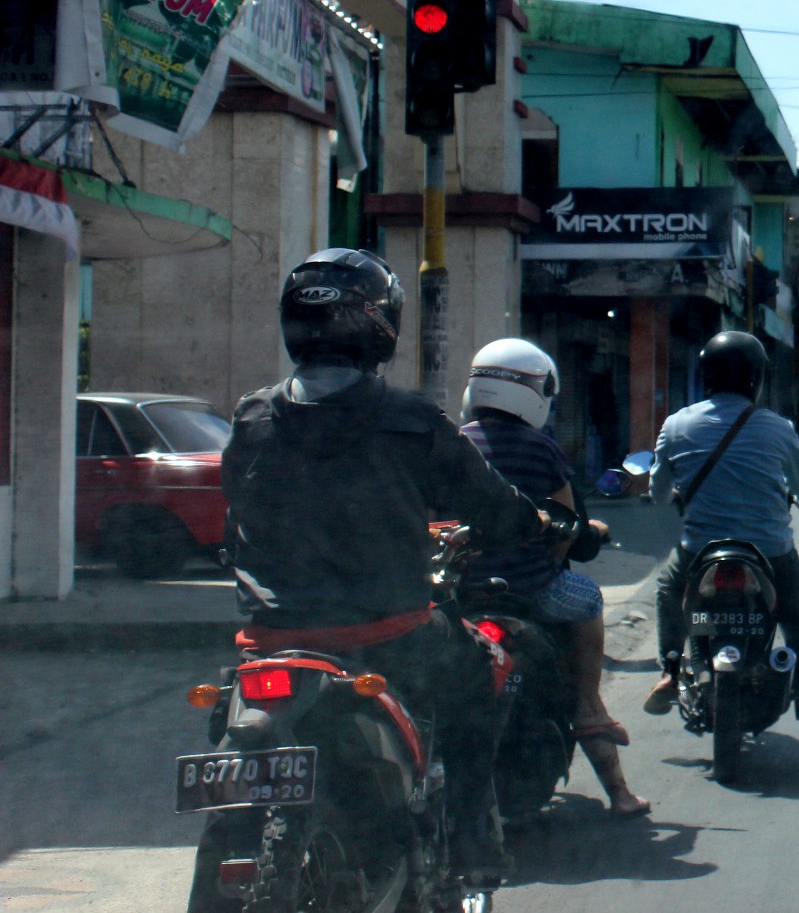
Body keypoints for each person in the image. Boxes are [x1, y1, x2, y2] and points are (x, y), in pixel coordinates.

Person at [215, 249, 559, 886]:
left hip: (270, 640)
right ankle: (471, 843)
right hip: (388, 635)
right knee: (480, 678)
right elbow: (492, 505)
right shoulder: (410, 420)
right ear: (381, 325)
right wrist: (536, 524)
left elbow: (236, 504)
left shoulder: (253, 417)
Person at [641, 330, 799, 758]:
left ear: (706, 376)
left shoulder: (676, 424)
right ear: (755, 378)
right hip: (769, 552)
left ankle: (668, 668)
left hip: (699, 550)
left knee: (668, 590)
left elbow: (660, 493)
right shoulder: (778, 428)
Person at [460, 337, 649, 818]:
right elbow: (567, 529)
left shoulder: (456, 445)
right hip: (531, 590)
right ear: (536, 392)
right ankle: (594, 718)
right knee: (586, 598)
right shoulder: (541, 449)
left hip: (462, 592)